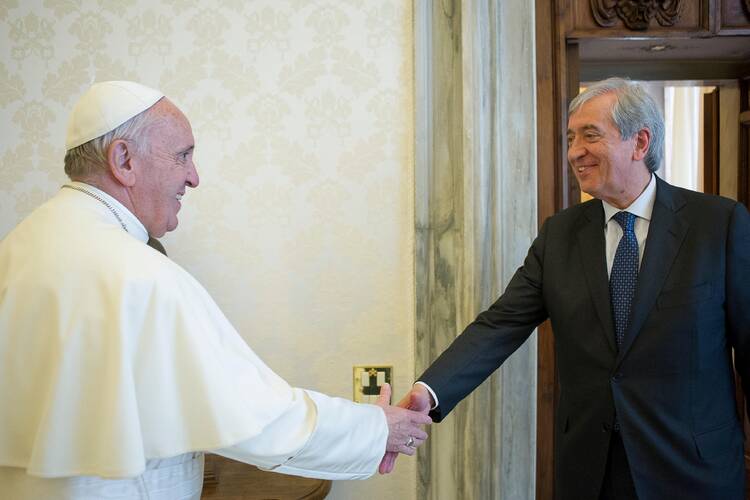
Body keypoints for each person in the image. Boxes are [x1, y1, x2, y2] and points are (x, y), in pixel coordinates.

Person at [0, 81, 431, 500]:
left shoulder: (16, 248)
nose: (194, 178)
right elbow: (257, 416)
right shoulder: (138, 274)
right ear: (124, 160)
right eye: (182, 156)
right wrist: (377, 429)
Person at [383, 78, 750, 499]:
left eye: (590, 136)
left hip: (694, 470)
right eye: (571, 137)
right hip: (591, 471)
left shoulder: (718, 225)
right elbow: (500, 325)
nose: (575, 151)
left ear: (640, 142)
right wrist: (429, 391)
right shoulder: (560, 234)